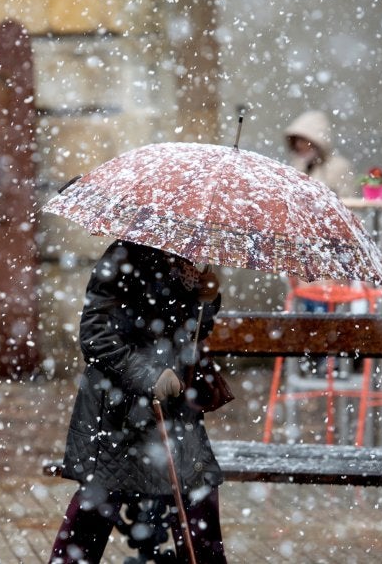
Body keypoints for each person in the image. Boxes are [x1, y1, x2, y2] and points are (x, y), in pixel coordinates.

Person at [49, 240, 227, 563]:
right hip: (118, 412)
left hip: (174, 410)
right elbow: (94, 336)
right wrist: (148, 375)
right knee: (96, 507)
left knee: (199, 502)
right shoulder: (125, 255)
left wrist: (207, 301)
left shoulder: (185, 262)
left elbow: (191, 334)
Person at [284, 109, 356, 198]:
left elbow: (347, 201)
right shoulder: (297, 167)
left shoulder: (338, 168)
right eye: (295, 140)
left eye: (303, 140)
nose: (298, 145)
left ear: (316, 142)